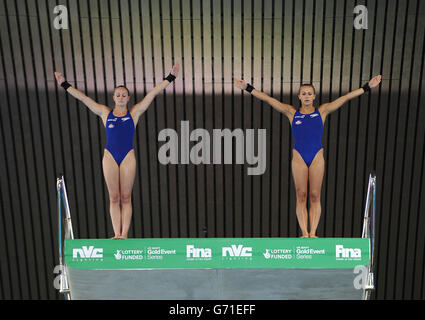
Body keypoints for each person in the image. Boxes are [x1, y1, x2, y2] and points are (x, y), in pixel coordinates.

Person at [234, 75, 382, 238]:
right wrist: (247, 87)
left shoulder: (322, 111)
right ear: (299, 96)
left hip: (317, 155)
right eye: (303, 93)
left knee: (315, 195)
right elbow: (269, 100)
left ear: (314, 96)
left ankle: (313, 233)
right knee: (301, 194)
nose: (306, 96)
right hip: (299, 156)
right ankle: (304, 233)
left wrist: (367, 86)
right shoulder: (291, 113)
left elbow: (345, 98)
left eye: (309, 93)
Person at [54, 63, 180, 239]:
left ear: (128, 98)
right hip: (110, 156)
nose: (121, 97)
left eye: (124, 95)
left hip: (128, 155)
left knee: (126, 196)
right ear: (114, 97)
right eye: (118, 95)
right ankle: (116, 233)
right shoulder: (105, 113)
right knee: (114, 197)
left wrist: (170, 77)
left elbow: (152, 95)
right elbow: (83, 99)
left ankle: (124, 234)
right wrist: (64, 84)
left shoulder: (134, 113)